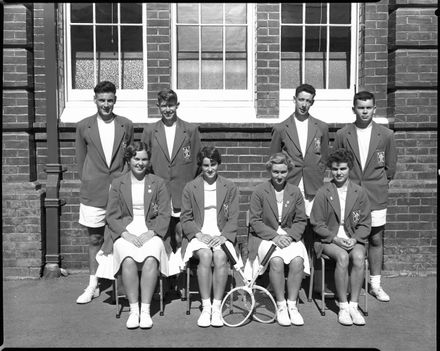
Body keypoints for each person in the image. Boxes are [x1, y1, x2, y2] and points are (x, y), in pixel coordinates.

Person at [100, 141, 171, 329]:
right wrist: (125, 234)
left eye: (144, 159)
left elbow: (165, 214)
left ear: (149, 161)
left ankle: (146, 310)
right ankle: (134, 310)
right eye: (136, 158)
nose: (140, 163)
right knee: (128, 259)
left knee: (150, 258)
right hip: (125, 230)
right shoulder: (118, 183)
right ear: (129, 159)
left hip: (151, 230)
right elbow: (111, 215)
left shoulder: (158, 183)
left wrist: (152, 232)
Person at [334, 91, 397, 302]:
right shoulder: (343, 134)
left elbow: (390, 169)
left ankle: (375, 284)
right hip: (351, 194)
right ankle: (351, 284)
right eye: (361, 107)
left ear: (374, 109)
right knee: (351, 235)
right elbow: (337, 163)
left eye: (368, 107)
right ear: (354, 109)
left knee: (376, 238)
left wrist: (376, 185)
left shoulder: (386, 135)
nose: (365, 111)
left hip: (376, 194)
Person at [75, 81, 134, 304]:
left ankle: (124, 284)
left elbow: (130, 156)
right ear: (95, 100)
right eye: (102, 100)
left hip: (119, 189)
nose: (106, 104)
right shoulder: (83, 126)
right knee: (95, 238)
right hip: (94, 189)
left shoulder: (126, 125)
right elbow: (81, 160)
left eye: (110, 100)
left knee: (121, 236)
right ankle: (93, 284)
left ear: (115, 100)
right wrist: (90, 180)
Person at [141, 88, 202, 291]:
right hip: (159, 192)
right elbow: (144, 161)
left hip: (181, 190)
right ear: (158, 107)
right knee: (161, 236)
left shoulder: (190, 130)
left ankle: (181, 277)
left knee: (180, 234)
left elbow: (197, 161)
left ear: (177, 105)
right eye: (164, 105)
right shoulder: (150, 131)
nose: (168, 109)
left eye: (171, 105)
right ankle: (165, 279)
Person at [310, 148, 371, 326]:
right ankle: (343, 306)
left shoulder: (359, 192)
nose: (339, 173)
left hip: (352, 237)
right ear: (331, 169)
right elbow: (317, 223)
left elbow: (365, 222)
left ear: (349, 169)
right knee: (343, 257)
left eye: (343, 169)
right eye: (335, 169)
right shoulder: (323, 192)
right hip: (329, 239)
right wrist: (335, 238)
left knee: (359, 257)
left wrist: (355, 238)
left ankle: (354, 304)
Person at [180, 146, 240, 328]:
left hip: (221, 234)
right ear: (201, 166)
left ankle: (216, 306)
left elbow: (234, 217)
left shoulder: (229, 186)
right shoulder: (191, 187)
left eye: (213, 164)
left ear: (218, 164)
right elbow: (186, 217)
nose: (210, 169)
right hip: (199, 234)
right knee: (205, 256)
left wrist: (223, 237)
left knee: (220, 256)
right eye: (206, 165)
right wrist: (199, 234)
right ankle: (206, 307)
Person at [247, 153, 309, 326]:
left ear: (288, 171)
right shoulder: (260, 191)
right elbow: (255, 221)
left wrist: (289, 237)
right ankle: (281, 305)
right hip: (265, 237)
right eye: (275, 172)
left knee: (297, 260)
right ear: (270, 171)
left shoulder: (295, 192)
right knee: (276, 261)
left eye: (283, 172)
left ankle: (292, 304)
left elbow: (300, 220)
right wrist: (275, 236)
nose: (279, 176)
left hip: (290, 237)